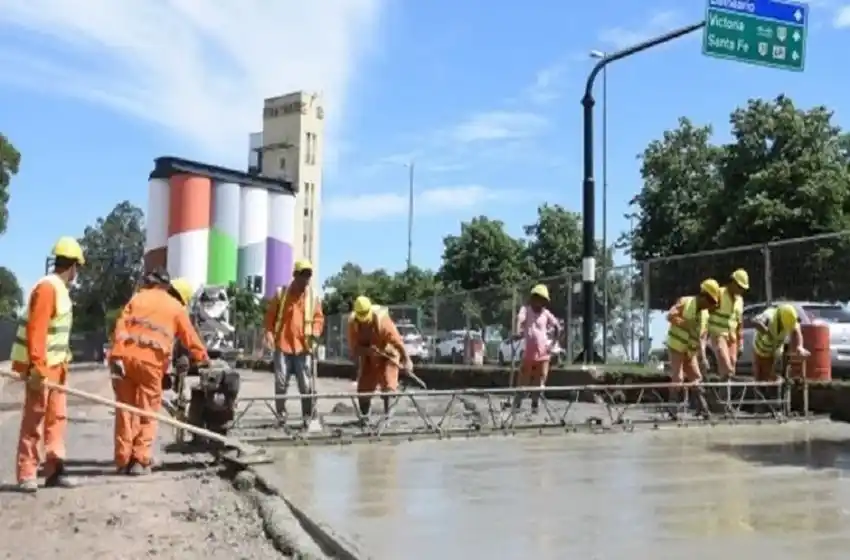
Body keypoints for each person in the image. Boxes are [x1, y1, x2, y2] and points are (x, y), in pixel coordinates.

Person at [109, 274, 209, 475]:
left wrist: (116, 356)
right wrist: (203, 358)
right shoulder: (175, 307)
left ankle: (122, 459)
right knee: (148, 413)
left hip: (126, 361)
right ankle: (140, 460)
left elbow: (121, 326)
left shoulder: (137, 298)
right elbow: (190, 336)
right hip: (150, 364)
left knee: (125, 411)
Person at [11, 237, 85, 492]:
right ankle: (27, 473)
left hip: (58, 368)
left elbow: (56, 333)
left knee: (57, 420)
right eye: (78, 268)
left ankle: (54, 470)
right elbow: (37, 329)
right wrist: (37, 367)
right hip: (42, 369)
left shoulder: (60, 290)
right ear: (73, 266)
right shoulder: (47, 288)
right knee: (34, 420)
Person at [264, 259, 324, 424]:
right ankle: (281, 416)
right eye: (302, 275)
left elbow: (319, 318)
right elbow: (269, 318)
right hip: (283, 346)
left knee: (305, 385)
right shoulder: (281, 294)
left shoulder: (313, 296)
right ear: (294, 275)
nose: (305, 279)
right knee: (281, 383)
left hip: (303, 347)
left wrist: (316, 332)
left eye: (308, 276)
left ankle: (308, 416)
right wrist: (269, 333)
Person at [347, 296, 412, 419]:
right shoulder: (352, 323)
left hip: (388, 354)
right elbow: (354, 349)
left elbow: (397, 341)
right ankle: (365, 418)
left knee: (388, 385)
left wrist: (407, 360)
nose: (364, 322)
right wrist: (367, 350)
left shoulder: (382, 320)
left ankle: (387, 418)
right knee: (363, 389)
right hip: (369, 356)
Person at [666, 279, 721, 412]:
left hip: (690, 352)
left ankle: (703, 409)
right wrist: (684, 323)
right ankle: (672, 408)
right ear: (703, 296)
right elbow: (670, 316)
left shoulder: (705, 316)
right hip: (677, 347)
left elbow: (702, 339)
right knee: (678, 377)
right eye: (711, 301)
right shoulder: (685, 302)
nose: (711, 305)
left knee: (697, 379)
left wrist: (704, 358)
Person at [512, 284, 560, 414]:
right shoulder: (526, 310)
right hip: (529, 353)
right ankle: (517, 403)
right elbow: (520, 320)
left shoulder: (546, 314)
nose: (540, 303)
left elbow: (557, 326)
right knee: (524, 379)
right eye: (538, 299)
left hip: (543, 353)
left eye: (543, 300)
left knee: (540, 380)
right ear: (533, 298)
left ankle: (535, 404)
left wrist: (554, 342)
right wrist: (517, 332)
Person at [708, 269, 749, 378]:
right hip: (718, 334)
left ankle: (725, 392)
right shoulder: (719, 294)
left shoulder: (740, 300)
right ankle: (725, 389)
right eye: (740, 287)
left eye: (743, 288)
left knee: (732, 363)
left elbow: (739, 321)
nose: (741, 291)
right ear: (732, 282)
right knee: (726, 364)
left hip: (732, 337)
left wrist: (741, 342)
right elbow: (705, 312)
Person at [752, 303, 808, 381]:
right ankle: (761, 388)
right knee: (760, 377)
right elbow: (755, 322)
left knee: (771, 375)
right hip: (761, 348)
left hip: (776, 348)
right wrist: (766, 331)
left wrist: (800, 346)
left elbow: (797, 332)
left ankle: (777, 383)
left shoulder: (792, 318)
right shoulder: (769, 315)